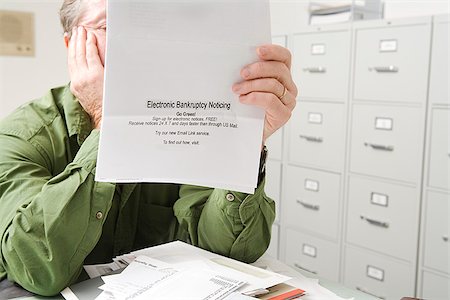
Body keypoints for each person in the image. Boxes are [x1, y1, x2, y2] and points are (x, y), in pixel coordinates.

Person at [0, 0, 298, 296]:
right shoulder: (23, 134)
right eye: (109, 26)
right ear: (71, 45)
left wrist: (245, 142)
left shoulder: (189, 120)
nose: (136, 42)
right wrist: (108, 121)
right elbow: (34, 267)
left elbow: (228, 250)